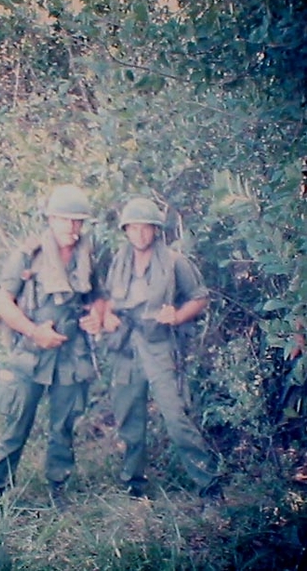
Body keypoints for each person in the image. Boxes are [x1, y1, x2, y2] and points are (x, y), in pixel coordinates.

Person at [0, 184, 103, 509]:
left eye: (78, 221)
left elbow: (98, 297)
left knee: (63, 427)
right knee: (16, 426)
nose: (72, 227)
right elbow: (4, 303)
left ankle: (58, 489)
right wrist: (35, 332)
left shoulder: (88, 255)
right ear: (50, 219)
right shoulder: (27, 255)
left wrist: (95, 316)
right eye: (64, 220)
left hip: (70, 354)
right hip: (30, 354)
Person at [103, 197, 223, 502]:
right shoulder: (119, 261)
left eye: (147, 228)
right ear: (126, 230)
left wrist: (178, 315)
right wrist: (106, 318)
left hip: (158, 346)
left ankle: (209, 488)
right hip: (125, 348)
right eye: (134, 228)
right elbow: (108, 301)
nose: (140, 234)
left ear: (156, 231)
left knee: (176, 418)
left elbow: (200, 297)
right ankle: (134, 487)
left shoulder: (174, 261)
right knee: (129, 419)